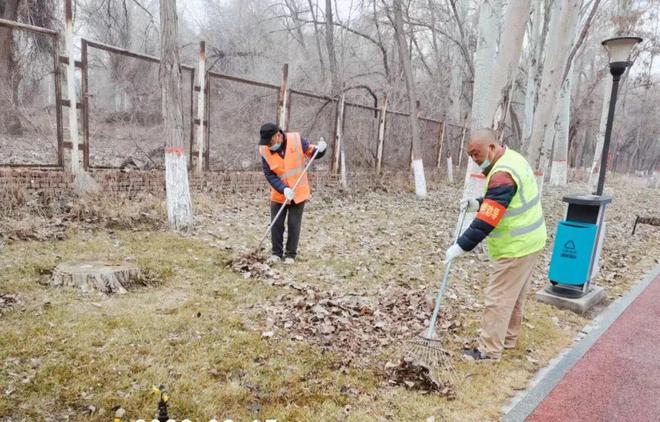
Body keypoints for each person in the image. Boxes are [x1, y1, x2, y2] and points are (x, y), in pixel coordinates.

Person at [445, 128, 547, 361]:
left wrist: (460, 246)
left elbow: (486, 222)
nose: (474, 159)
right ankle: (508, 339)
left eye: (476, 154)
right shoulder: (513, 159)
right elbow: (502, 199)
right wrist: (478, 202)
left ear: (491, 147)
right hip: (532, 240)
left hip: (516, 246)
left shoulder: (501, 174)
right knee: (515, 295)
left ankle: (488, 351)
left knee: (498, 297)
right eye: (470, 155)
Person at [258, 122, 327, 264]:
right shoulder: (264, 150)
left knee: (294, 224)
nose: (268, 146)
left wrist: (321, 150)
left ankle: (290, 255)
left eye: (270, 142)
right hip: (279, 193)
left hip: (298, 191)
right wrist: (283, 189)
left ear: (278, 136)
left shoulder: (296, 139)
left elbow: (312, 152)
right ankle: (276, 253)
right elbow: (269, 175)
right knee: (276, 223)